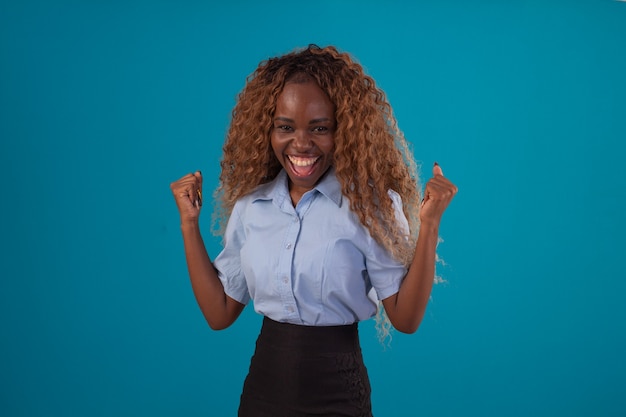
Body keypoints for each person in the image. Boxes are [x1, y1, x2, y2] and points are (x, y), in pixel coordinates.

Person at [170, 44, 457, 417]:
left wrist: (430, 223)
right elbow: (220, 313)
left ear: (345, 132)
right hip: (263, 392)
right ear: (267, 130)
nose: (301, 143)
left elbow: (405, 319)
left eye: (320, 128)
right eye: (285, 127)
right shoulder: (250, 208)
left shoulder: (371, 208)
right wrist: (189, 223)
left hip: (338, 393)